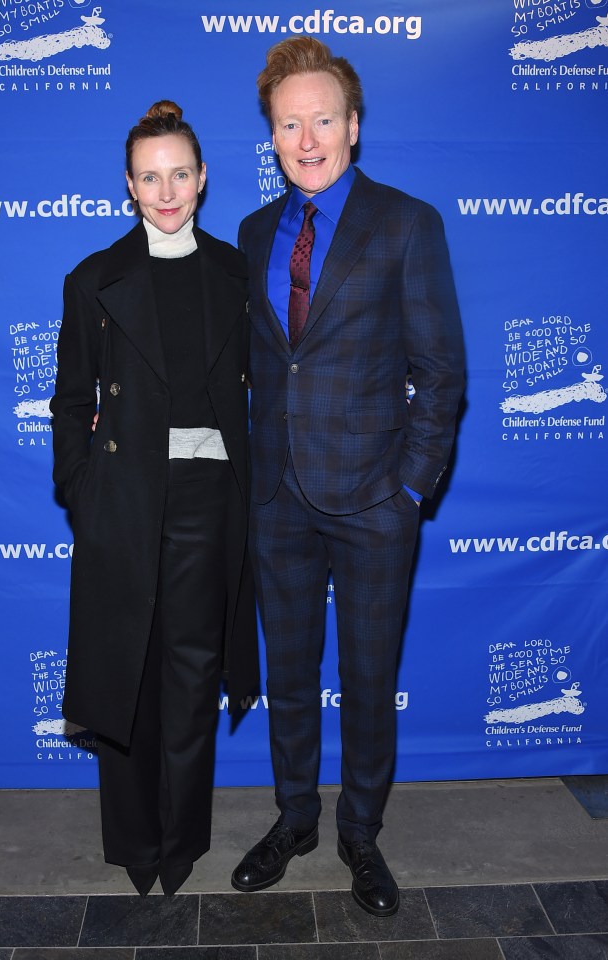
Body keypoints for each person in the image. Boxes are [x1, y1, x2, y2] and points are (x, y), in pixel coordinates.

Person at [231, 38, 465, 916]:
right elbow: (258, 364)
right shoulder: (256, 231)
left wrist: (410, 491)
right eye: (289, 123)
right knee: (288, 676)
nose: (306, 137)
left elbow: (442, 370)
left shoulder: (408, 223)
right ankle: (294, 819)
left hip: (374, 502)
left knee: (369, 680)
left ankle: (359, 833)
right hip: (277, 497)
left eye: (322, 118)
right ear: (275, 136)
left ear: (353, 127)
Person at [50, 100, 258, 898]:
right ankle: (137, 844)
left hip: (212, 496)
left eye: (179, 174)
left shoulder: (235, 273)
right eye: (149, 176)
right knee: (126, 673)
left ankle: (183, 842)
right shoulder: (93, 280)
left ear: (202, 179)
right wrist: (84, 487)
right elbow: (70, 404)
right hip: (127, 498)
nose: (165, 191)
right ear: (128, 187)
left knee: (192, 674)